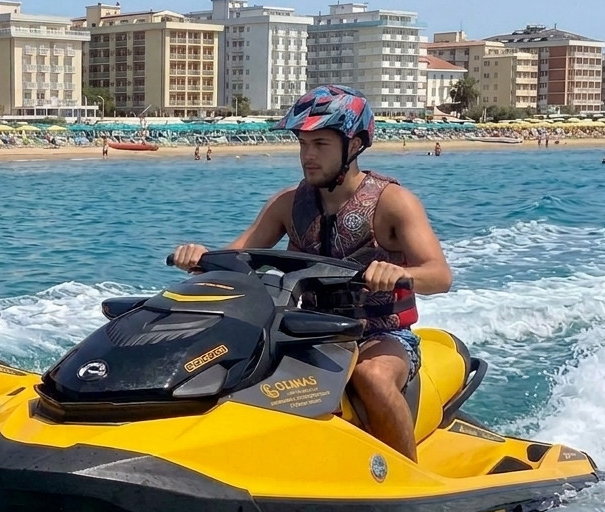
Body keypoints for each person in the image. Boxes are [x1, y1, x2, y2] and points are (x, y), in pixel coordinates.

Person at [171, 85, 452, 462]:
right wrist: (201, 256)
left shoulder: (392, 202)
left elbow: (440, 275)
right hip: (303, 332)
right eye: (303, 144)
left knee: (372, 378)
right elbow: (237, 254)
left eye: (320, 144)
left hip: (380, 334)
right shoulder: (289, 203)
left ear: (353, 146)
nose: (308, 156)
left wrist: (397, 272)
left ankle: (409, 482)